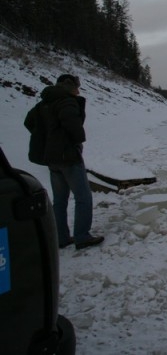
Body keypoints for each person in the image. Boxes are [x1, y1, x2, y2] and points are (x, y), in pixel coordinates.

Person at [24, 74, 104, 250]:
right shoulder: (66, 101)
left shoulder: (45, 102)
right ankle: (82, 237)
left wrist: (47, 139)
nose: (78, 90)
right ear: (70, 86)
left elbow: (29, 122)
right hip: (68, 157)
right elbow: (72, 125)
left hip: (51, 159)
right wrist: (74, 140)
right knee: (83, 197)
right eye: (77, 86)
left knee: (60, 199)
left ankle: (61, 237)